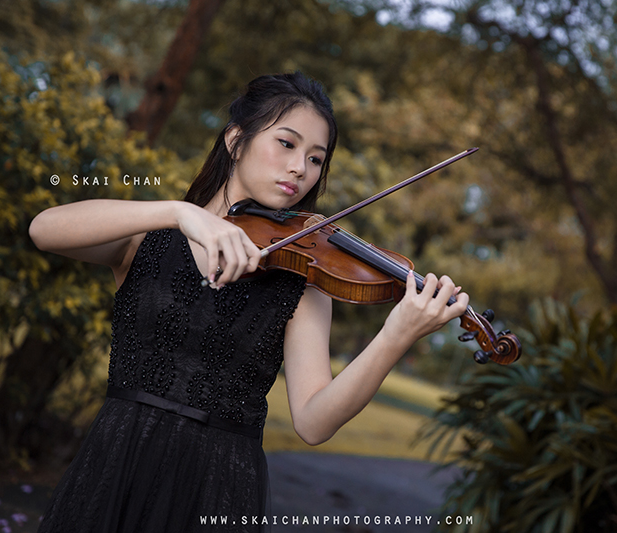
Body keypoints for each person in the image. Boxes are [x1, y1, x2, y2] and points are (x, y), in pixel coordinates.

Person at [29, 72, 469, 532]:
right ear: (236, 141)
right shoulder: (148, 237)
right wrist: (182, 213)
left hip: (219, 485)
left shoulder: (303, 280)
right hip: (114, 464)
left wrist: (397, 334)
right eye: (287, 144)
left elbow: (314, 423)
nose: (301, 168)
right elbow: (44, 229)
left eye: (316, 158)